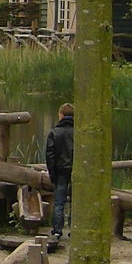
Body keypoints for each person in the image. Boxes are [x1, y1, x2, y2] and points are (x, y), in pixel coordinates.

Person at [45, 103, 75, 241]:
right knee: (75, 201)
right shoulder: (78, 132)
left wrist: (52, 173)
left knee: (59, 202)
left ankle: (57, 230)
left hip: (60, 171)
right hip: (75, 170)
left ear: (61, 115)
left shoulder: (54, 133)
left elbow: (50, 156)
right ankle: (74, 228)